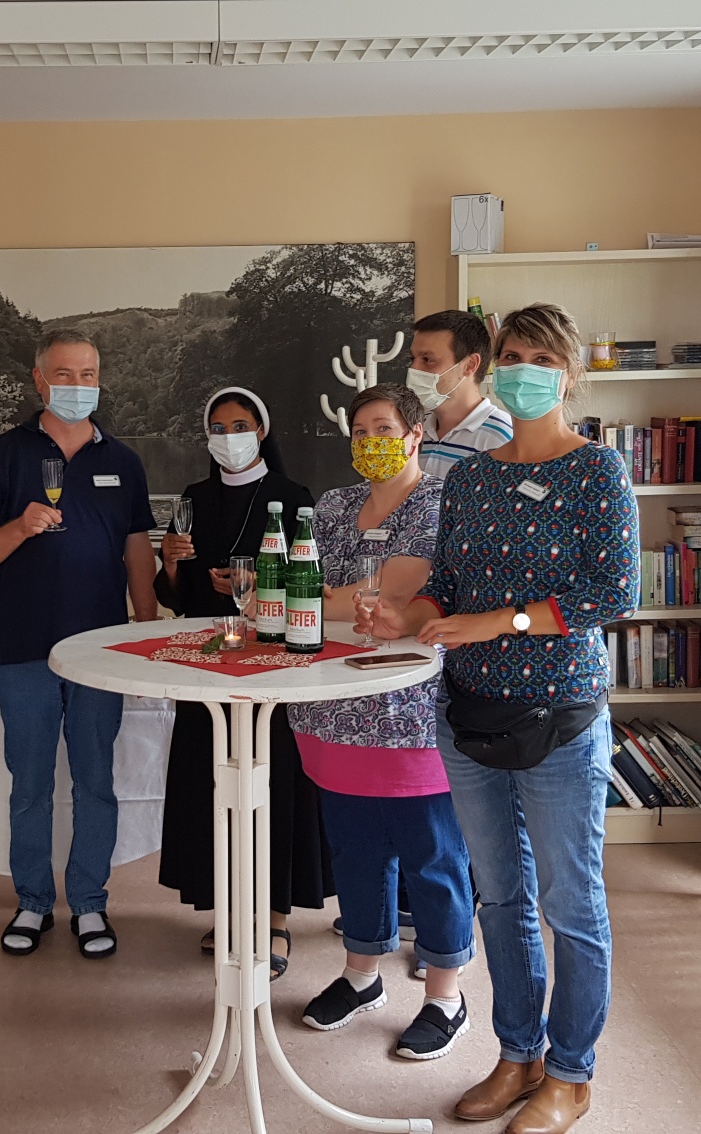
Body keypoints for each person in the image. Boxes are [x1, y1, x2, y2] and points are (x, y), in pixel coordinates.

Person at [362, 302, 639, 1134]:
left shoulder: (598, 472)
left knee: (571, 904)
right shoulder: (474, 477)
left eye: (541, 359)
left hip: (559, 716)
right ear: (492, 366)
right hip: (471, 716)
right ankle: (517, 1055)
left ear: (569, 373)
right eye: (512, 355)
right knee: (500, 898)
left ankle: (571, 1073)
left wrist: (501, 621)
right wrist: (409, 616)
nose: (523, 370)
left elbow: (613, 593)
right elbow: (446, 584)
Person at [287, 383, 475, 1060]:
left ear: (416, 434)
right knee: (355, 851)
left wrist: (320, 598)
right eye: (360, 430)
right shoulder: (332, 506)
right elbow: (304, 583)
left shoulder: (441, 501)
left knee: (433, 857)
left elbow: (394, 591)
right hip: (329, 713)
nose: (371, 441)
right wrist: (328, 598)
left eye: (384, 428)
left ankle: (445, 995)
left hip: (410, 714)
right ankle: (361, 974)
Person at [0, 329, 158, 960]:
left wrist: (146, 622)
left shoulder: (123, 460)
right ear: (39, 379)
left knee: (97, 781)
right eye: (65, 375)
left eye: (88, 374)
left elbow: (137, 549)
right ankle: (33, 902)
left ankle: (91, 903)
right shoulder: (1, 455)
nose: (78, 386)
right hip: (24, 649)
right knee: (31, 783)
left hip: (100, 654)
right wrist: (19, 527)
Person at [154, 386, 328, 978]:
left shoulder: (291, 496)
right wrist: (170, 561)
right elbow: (174, 596)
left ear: (261, 431)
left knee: (272, 782)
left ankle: (275, 918)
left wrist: (254, 589)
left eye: (240, 425)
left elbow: (310, 579)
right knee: (212, 782)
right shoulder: (194, 497)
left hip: (272, 660)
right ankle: (228, 907)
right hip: (207, 660)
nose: (229, 437)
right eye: (219, 427)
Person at [407, 309, 509, 480]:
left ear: (470, 365)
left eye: (427, 360)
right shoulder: (415, 430)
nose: (414, 369)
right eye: (412, 359)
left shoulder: (502, 437)